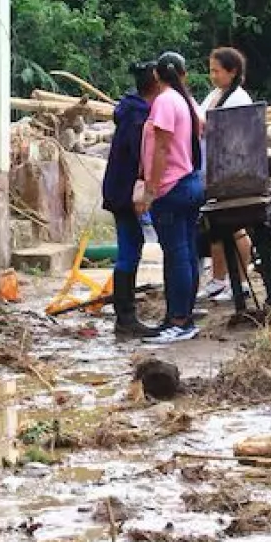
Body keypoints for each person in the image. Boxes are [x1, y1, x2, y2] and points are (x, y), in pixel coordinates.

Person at [136, 51, 205, 345]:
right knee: (186, 253)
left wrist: (150, 189)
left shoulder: (165, 101)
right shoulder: (186, 101)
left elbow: (162, 149)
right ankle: (182, 316)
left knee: (176, 255)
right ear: (183, 72)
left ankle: (179, 320)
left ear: (156, 75)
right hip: (189, 182)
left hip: (171, 186)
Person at [102, 61, 164, 338]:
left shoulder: (131, 110)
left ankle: (125, 315)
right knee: (128, 250)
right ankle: (125, 318)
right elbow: (144, 158)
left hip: (119, 189)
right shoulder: (139, 118)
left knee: (132, 245)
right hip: (126, 193)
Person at [198, 47, 254, 303]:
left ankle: (240, 282)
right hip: (211, 171)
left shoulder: (238, 99)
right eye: (211, 70)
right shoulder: (215, 94)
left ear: (232, 72)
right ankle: (218, 279)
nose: (213, 76)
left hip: (231, 172)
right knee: (216, 228)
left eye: (217, 71)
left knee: (236, 229)